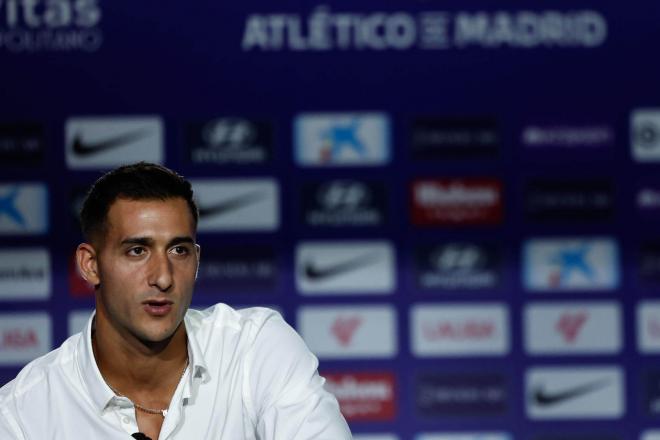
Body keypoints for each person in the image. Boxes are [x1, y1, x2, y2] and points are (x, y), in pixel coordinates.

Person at [0, 162, 352, 439]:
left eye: (179, 250)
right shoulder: (22, 414)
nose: (163, 277)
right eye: (137, 251)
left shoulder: (255, 349)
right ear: (91, 265)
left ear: (196, 260)